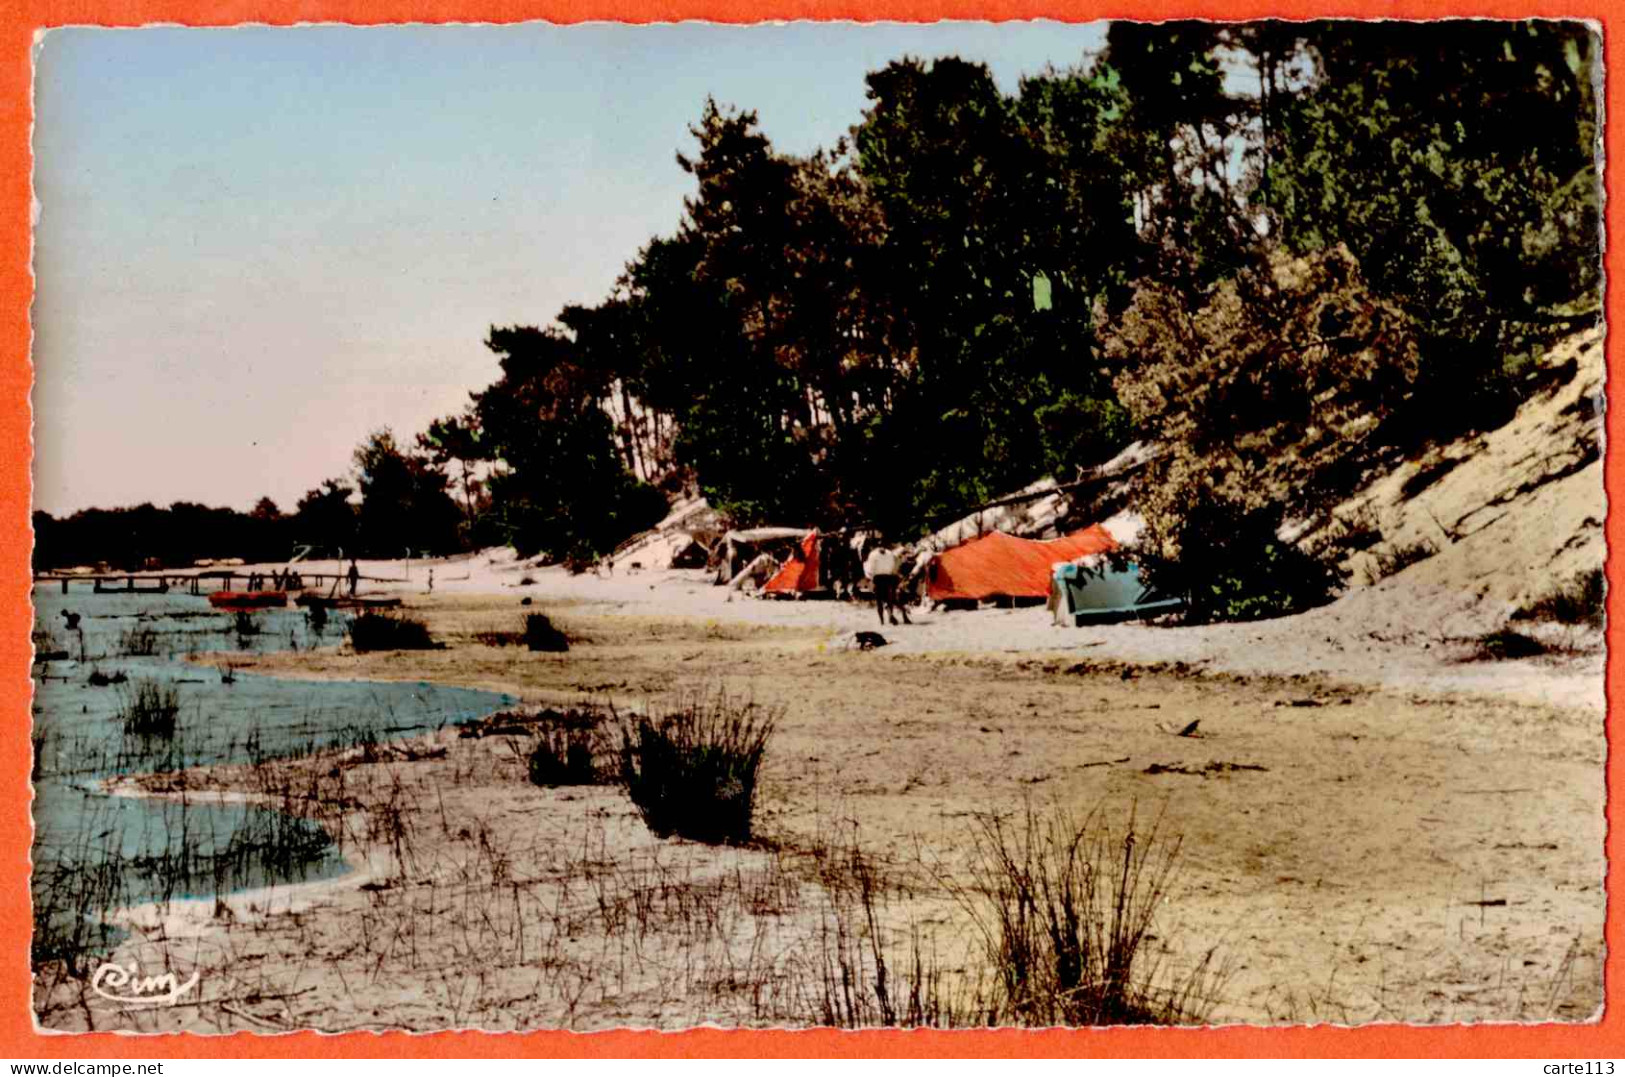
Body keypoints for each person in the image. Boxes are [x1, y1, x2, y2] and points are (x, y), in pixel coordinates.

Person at [863, 541, 911, 626]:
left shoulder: (879, 554)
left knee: (885, 600)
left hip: (883, 578)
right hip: (883, 578)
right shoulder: (884, 554)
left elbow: (871, 569)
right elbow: (890, 566)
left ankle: (886, 619)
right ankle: (886, 618)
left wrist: (871, 579)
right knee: (886, 600)